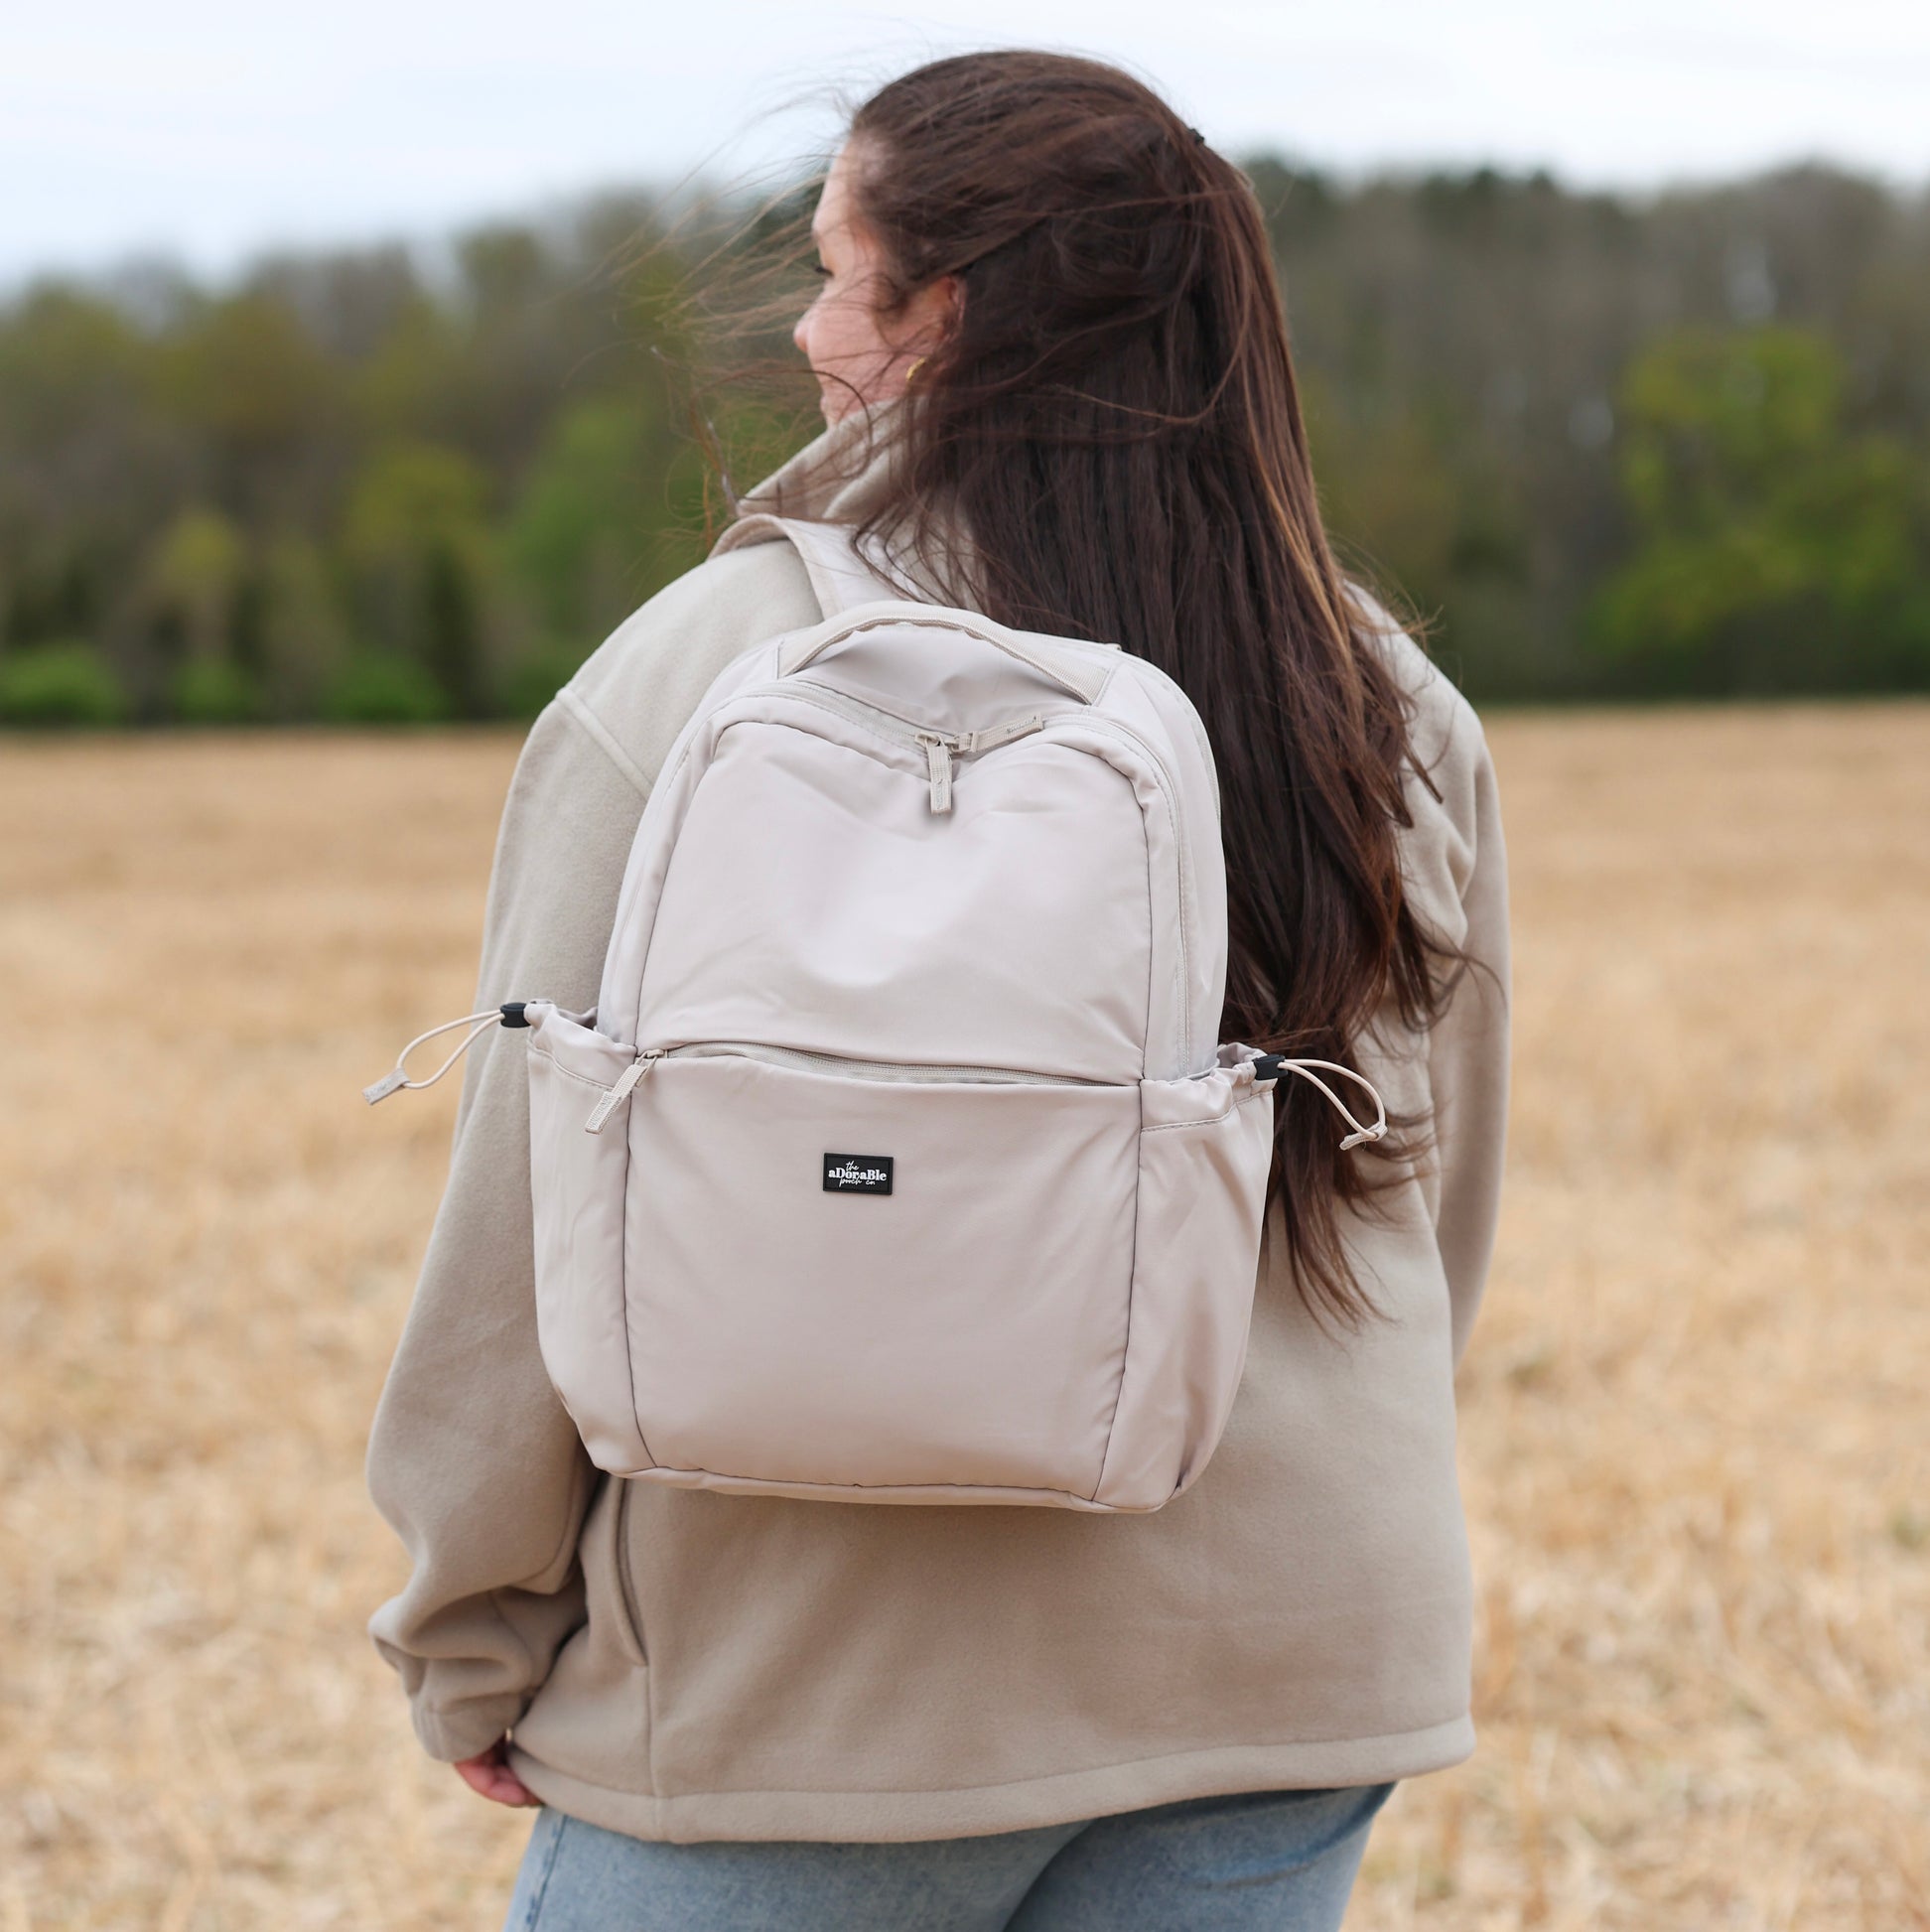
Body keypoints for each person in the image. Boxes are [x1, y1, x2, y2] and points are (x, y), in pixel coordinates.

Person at [365, 50, 1510, 1932]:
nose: (804, 328)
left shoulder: (704, 673)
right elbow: (1424, 1204)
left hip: (807, 1685)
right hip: (1296, 1656)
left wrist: (469, 1626)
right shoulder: (1376, 691)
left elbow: (531, 1201)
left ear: (948, 317)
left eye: (836, 272)